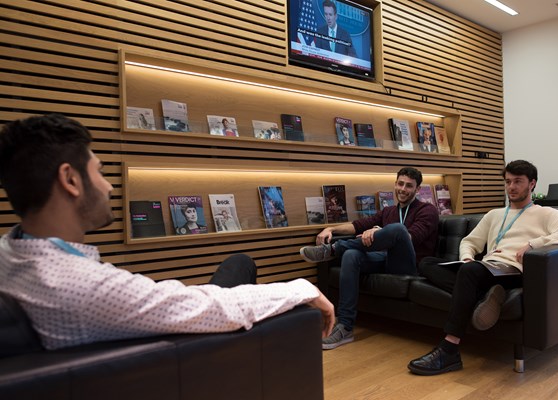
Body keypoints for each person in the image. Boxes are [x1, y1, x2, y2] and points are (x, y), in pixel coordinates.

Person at [0, 114, 334, 350]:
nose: (109, 187)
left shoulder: (10, 251)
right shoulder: (79, 287)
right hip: (185, 356)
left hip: (157, 332)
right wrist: (299, 289)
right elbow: (212, 310)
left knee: (239, 263)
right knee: (236, 279)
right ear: (70, 180)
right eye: (99, 172)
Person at [408, 160, 558, 376]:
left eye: (518, 182)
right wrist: (466, 258)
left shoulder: (546, 213)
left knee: (470, 273)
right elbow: (469, 241)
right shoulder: (494, 215)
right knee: (426, 263)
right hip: (487, 269)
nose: (511, 187)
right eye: (508, 182)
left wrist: (533, 244)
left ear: (532, 184)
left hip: (513, 271)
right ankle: (484, 297)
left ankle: (449, 349)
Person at [300, 167, 439, 349]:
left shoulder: (427, 210)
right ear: (395, 184)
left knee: (398, 230)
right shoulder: (388, 211)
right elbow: (358, 225)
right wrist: (331, 229)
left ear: (417, 190)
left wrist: (380, 232)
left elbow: (411, 238)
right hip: (385, 260)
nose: (403, 189)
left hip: (409, 265)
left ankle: (334, 249)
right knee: (351, 255)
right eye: (400, 184)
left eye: (409, 186)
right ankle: (345, 327)